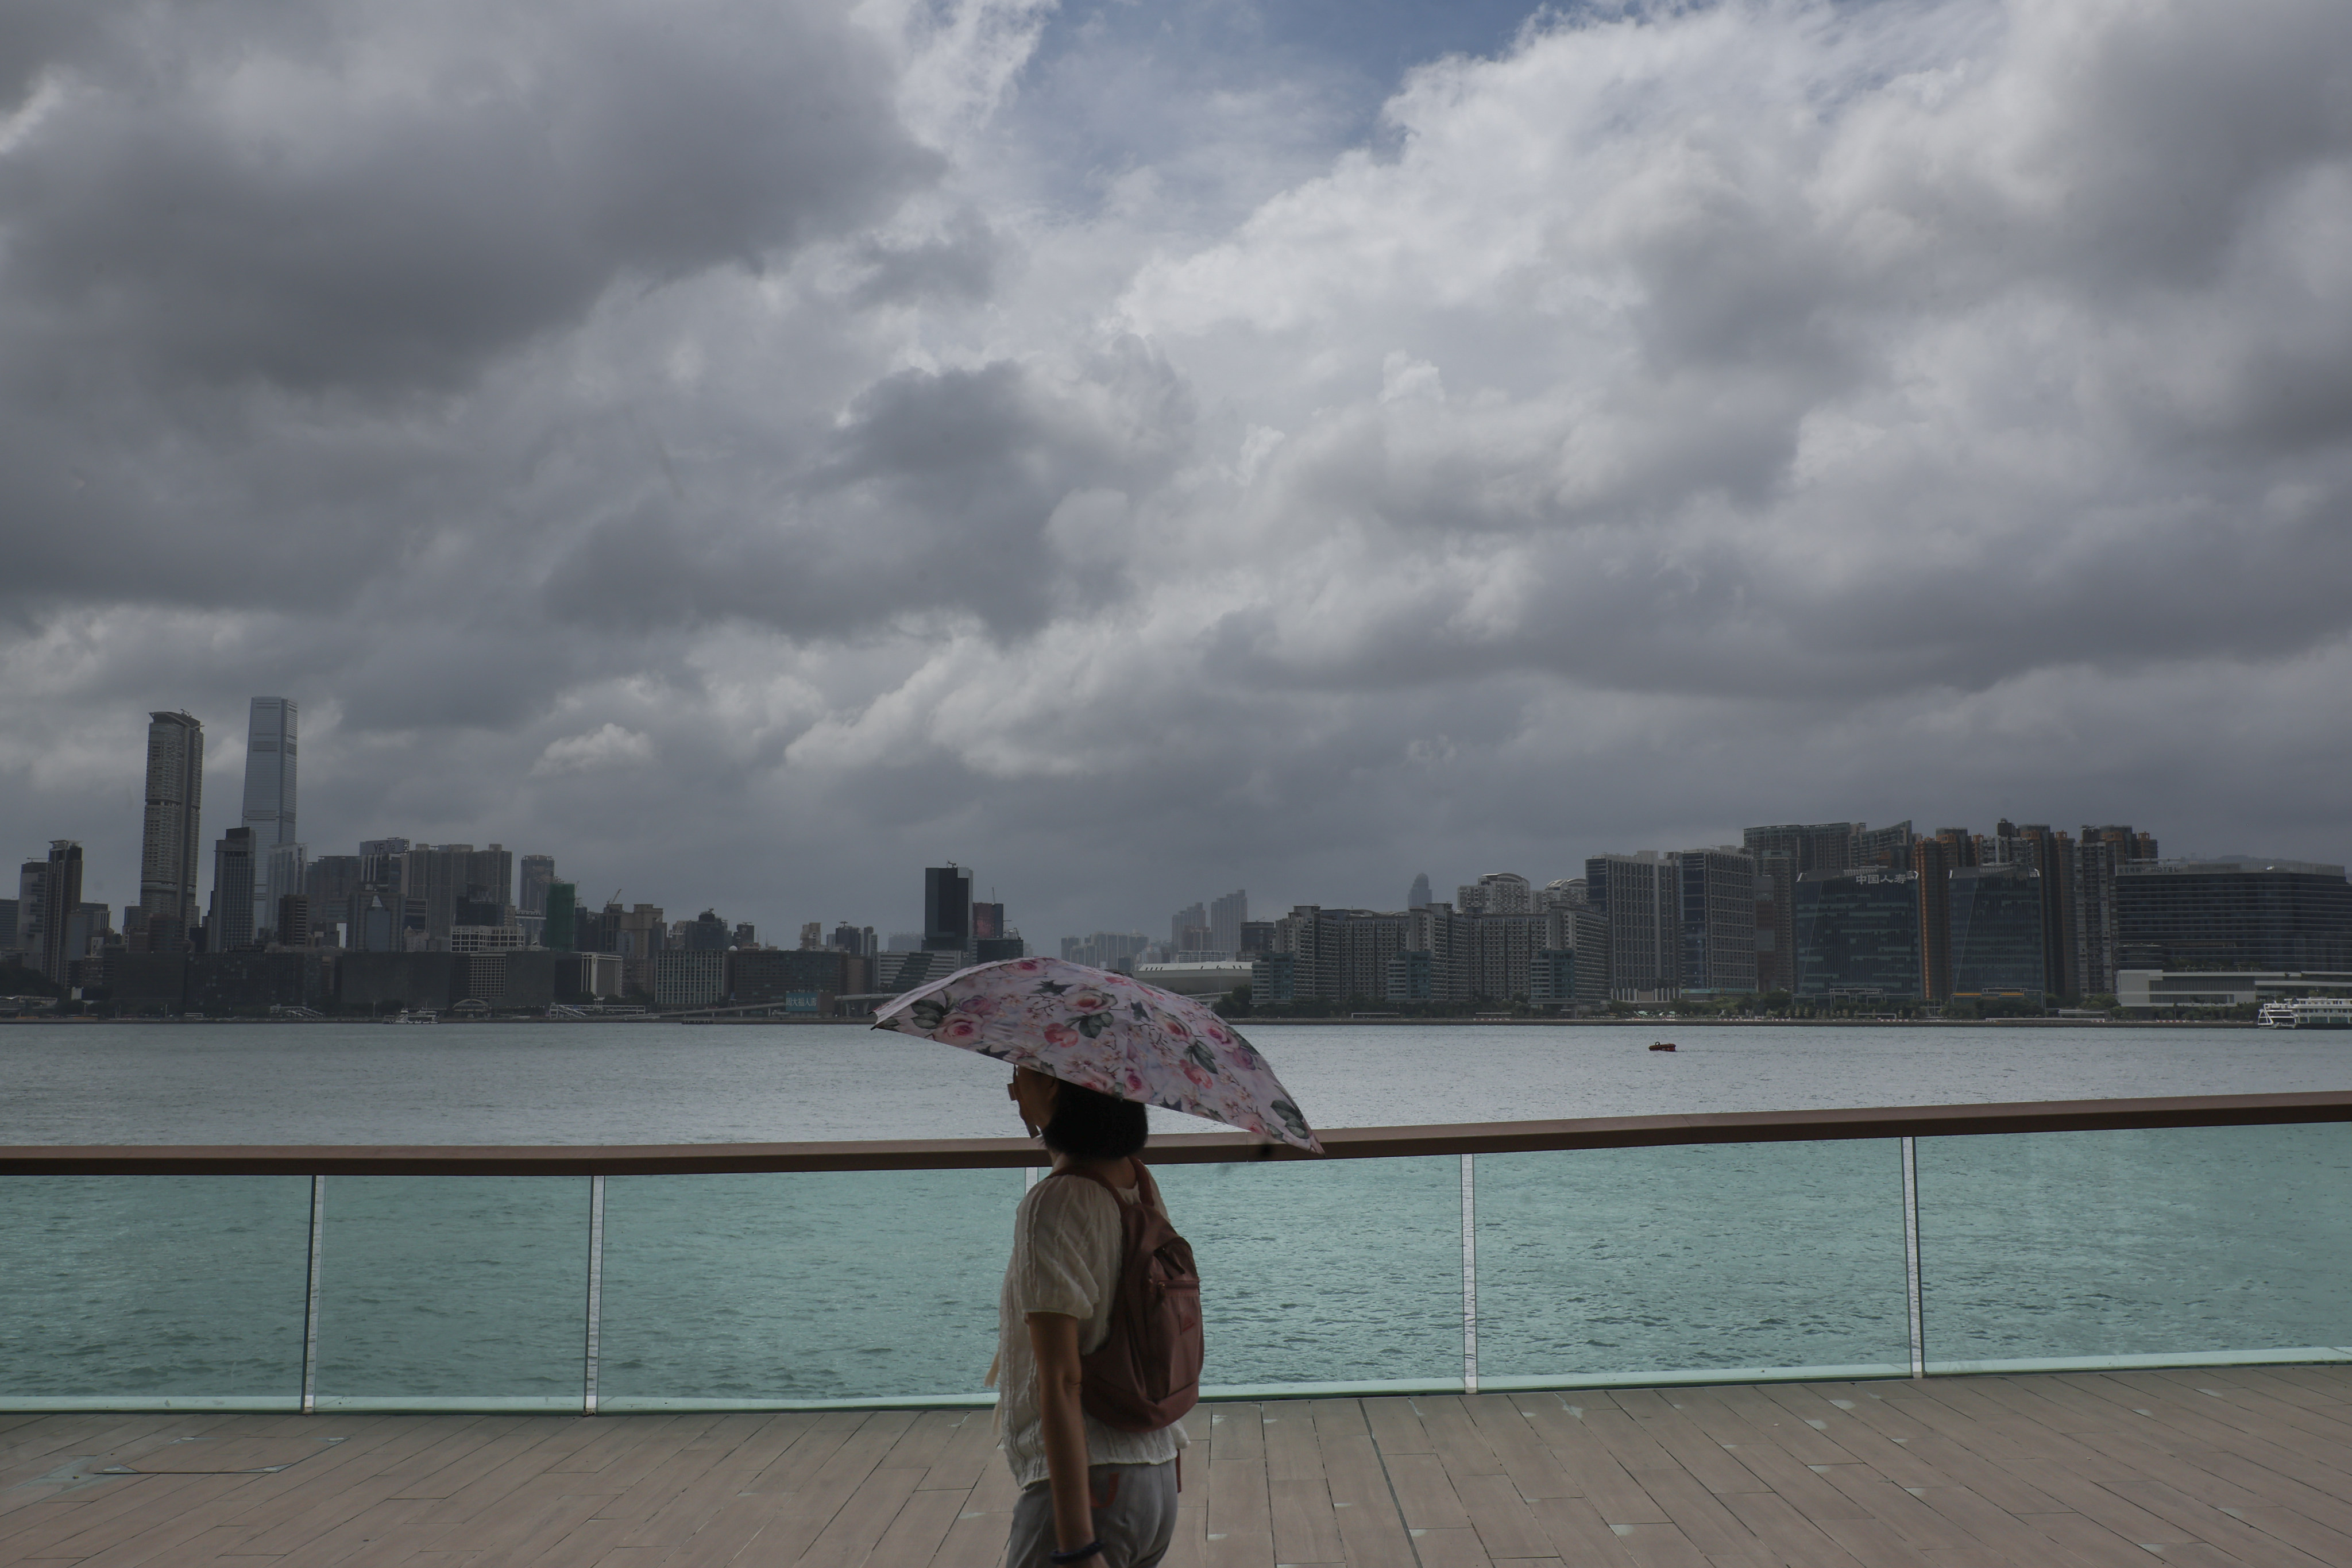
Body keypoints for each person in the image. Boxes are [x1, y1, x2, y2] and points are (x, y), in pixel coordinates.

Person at [997, 1065, 1184, 1568]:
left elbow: (1061, 1379)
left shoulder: (1055, 1201)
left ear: (1052, 1083)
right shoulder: (1137, 1183)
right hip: (1153, 1476)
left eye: (1018, 1072)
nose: (1011, 1088)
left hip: (1093, 1489)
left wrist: (1077, 1543)